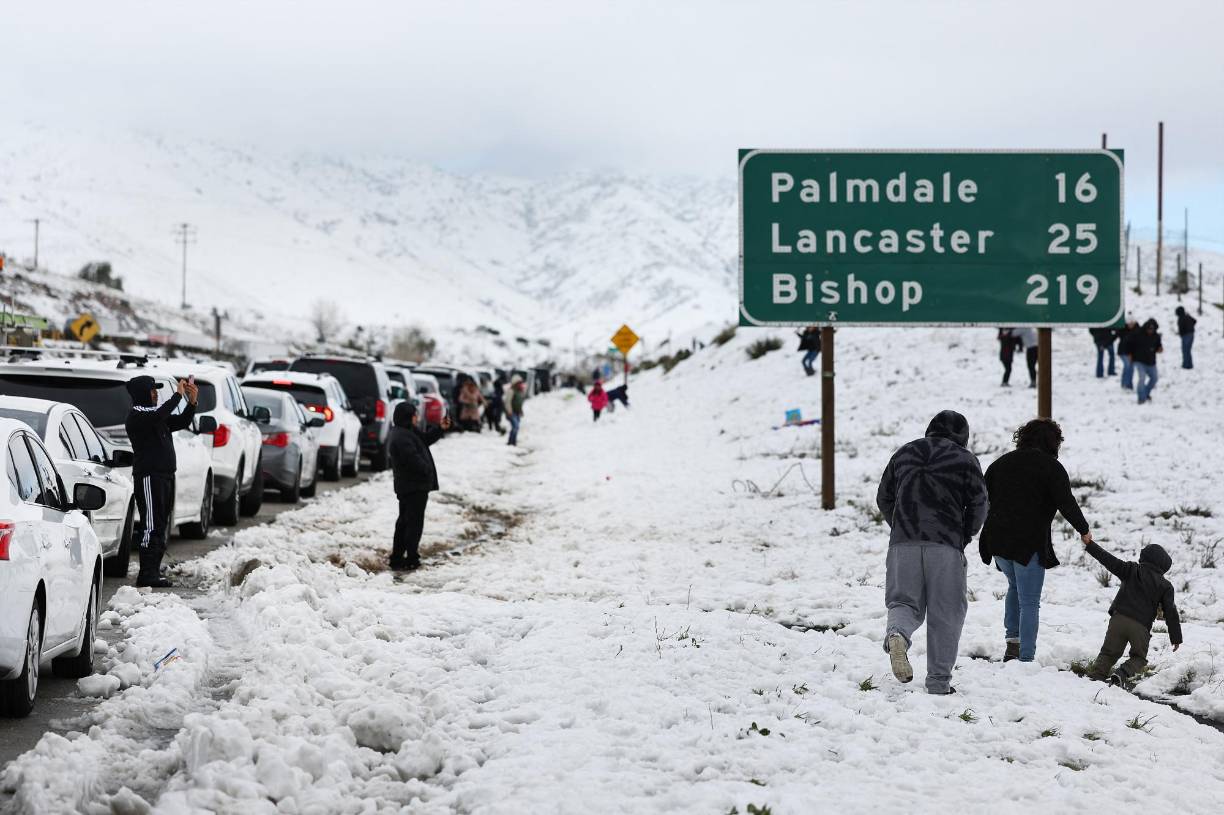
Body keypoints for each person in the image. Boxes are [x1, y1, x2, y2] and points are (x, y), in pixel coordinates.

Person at [876, 410, 988, 695]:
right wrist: (964, 535)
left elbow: (884, 497)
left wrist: (899, 524)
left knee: (903, 602)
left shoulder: (904, 453)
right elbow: (979, 504)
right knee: (946, 611)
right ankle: (938, 682)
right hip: (945, 543)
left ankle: (898, 634)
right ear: (963, 436)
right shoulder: (965, 460)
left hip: (903, 543)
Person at [978, 419, 1092, 662]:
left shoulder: (1000, 464)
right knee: (1029, 601)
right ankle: (1026, 658)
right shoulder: (1051, 468)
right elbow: (1067, 503)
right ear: (1053, 442)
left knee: (1014, 587)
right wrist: (1084, 530)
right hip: (1028, 544)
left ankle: (1012, 644)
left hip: (997, 540)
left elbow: (982, 499)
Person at [125, 374, 198, 588]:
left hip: (165, 476)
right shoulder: (138, 415)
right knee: (151, 524)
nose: (156, 393)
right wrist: (177, 395)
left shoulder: (156, 414)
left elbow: (181, 421)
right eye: (152, 390)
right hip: (149, 476)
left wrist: (191, 402)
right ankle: (146, 572)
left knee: (161, 523)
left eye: (156, 390)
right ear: (142, 393)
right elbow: (159, 415)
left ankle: (154, 571)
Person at [1082, 539, 1182, 685]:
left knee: (1108, 653)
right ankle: (1121, 674)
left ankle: (1096, 676)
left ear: (1144, 557)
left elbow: (1109, 560)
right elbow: (1171, 612)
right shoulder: (1166, 586)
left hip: (1118, 619)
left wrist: (1090, 545)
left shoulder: (1131, 569)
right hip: (1140, 627)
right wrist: (1176, 637)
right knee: (1139, 658)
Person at [388, 402, 450, 571]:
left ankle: (398, 557)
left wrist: (440, 428)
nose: (417, 417)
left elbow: (424, 440)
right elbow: (412, 460)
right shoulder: (401, 436)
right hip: (413, 486)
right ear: (408, 417)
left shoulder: (406, 432)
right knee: (412, 523)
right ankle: (410, 558)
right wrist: (426, 470)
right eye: (415, 415)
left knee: (405, 522)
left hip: (412, 485)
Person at [1132, 319, 1163, 404]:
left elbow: (1158, 347)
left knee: (1154, 378)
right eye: (1149, 329)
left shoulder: (1156, 336)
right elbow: (1131, 344)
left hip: (1151, 361)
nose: (1150, 331)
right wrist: (1131, 356)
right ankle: (1141, 398)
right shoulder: (1138, 335)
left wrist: (1159, 349)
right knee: (1142, 378)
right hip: (1139, 361)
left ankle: (1146, 393)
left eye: (1152, 329)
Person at [1116, 316, 1140, 390]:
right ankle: (1125, 384)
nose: (1131, 325)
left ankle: (1129, 384)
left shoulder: (1138, 331)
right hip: (1123, 352)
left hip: (1132, 352)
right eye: (1129, 323)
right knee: (1127, 366)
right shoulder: (1122, 330)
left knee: (1131, 368)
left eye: (1132, 323)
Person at [506, 375, 526, 446]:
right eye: (518, 383)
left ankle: (513, 442)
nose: (520, 384)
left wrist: (521, 410)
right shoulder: (511, 391)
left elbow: (519, 402)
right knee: (515, 427)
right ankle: (510, 442)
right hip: (512, 412)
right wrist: (509, 411)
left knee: (516, 428)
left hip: (517, 412)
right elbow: (508, 402)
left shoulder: (519, 391)